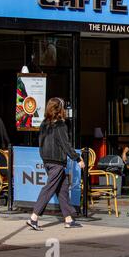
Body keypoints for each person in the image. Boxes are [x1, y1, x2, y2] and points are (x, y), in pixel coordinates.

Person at [26, 97, 85, 231]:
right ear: (60, 109)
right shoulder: (60, 125)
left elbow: (40, 143)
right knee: (49, 188)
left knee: (62, 189)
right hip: (56, 162)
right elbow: (66, 145)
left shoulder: (44, 124)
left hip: (47, 161)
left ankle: (68, 219)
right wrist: (77, 158)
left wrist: (44, 158)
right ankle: (33, 218)